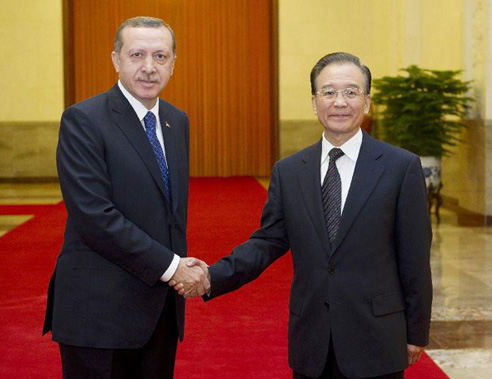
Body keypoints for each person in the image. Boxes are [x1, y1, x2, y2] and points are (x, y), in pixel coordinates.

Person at [172, 52, 433, 378]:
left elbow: (415, 258)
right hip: (312, 343)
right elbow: (267, 242)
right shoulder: (290, 171)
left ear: (366, 103)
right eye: (329, 92)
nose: (339, 102)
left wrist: (416, 332)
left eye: (351, 92)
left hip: (377, 340)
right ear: (314, 102)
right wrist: (213, 276)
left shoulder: (400, 167)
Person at [43, 16, 210, 379]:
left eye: (160, 56)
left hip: (160, 312)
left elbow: (168, 214)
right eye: (137, 55)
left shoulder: (176, 121)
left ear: (173, 63)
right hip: (99, 315)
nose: (149, 67)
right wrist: (172, 267)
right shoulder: (83, 120)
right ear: (116, 60)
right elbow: (94, 216)